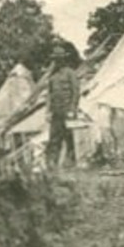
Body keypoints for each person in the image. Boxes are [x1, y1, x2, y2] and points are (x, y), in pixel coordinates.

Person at [44, 42, 81, 170]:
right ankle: (52, 164)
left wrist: (72, 109)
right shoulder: (52, 76)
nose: (57, 61)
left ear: (64, 59)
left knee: (69, 138)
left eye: (60, 59)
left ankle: (71, 163)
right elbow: (49, 95)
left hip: (67, 111)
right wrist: (48, 111)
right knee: (54, 138)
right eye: (55, 59)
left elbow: (76, 92)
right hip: (56, 111)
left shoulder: (70, 73)